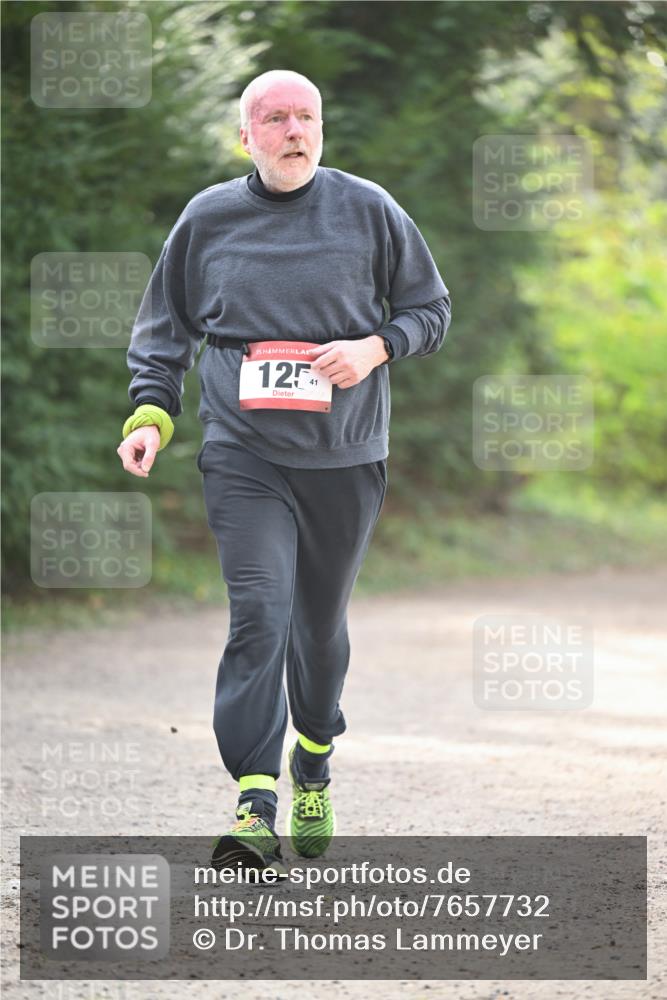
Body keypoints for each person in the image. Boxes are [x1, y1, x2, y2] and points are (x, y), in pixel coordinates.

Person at [118, 69, 451, 874]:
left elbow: (429, 312)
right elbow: (165, 331)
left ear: (322, 130)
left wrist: (374, 347)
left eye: (306, 117)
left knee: (318, 628)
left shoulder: (369, 209)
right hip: (242, 451)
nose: (293, 130)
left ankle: (313, 760)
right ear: (246, 136)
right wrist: (151, 415)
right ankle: (254, 802)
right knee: (258, 616)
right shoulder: (208, 218)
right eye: (274, 118)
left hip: (345, 455)